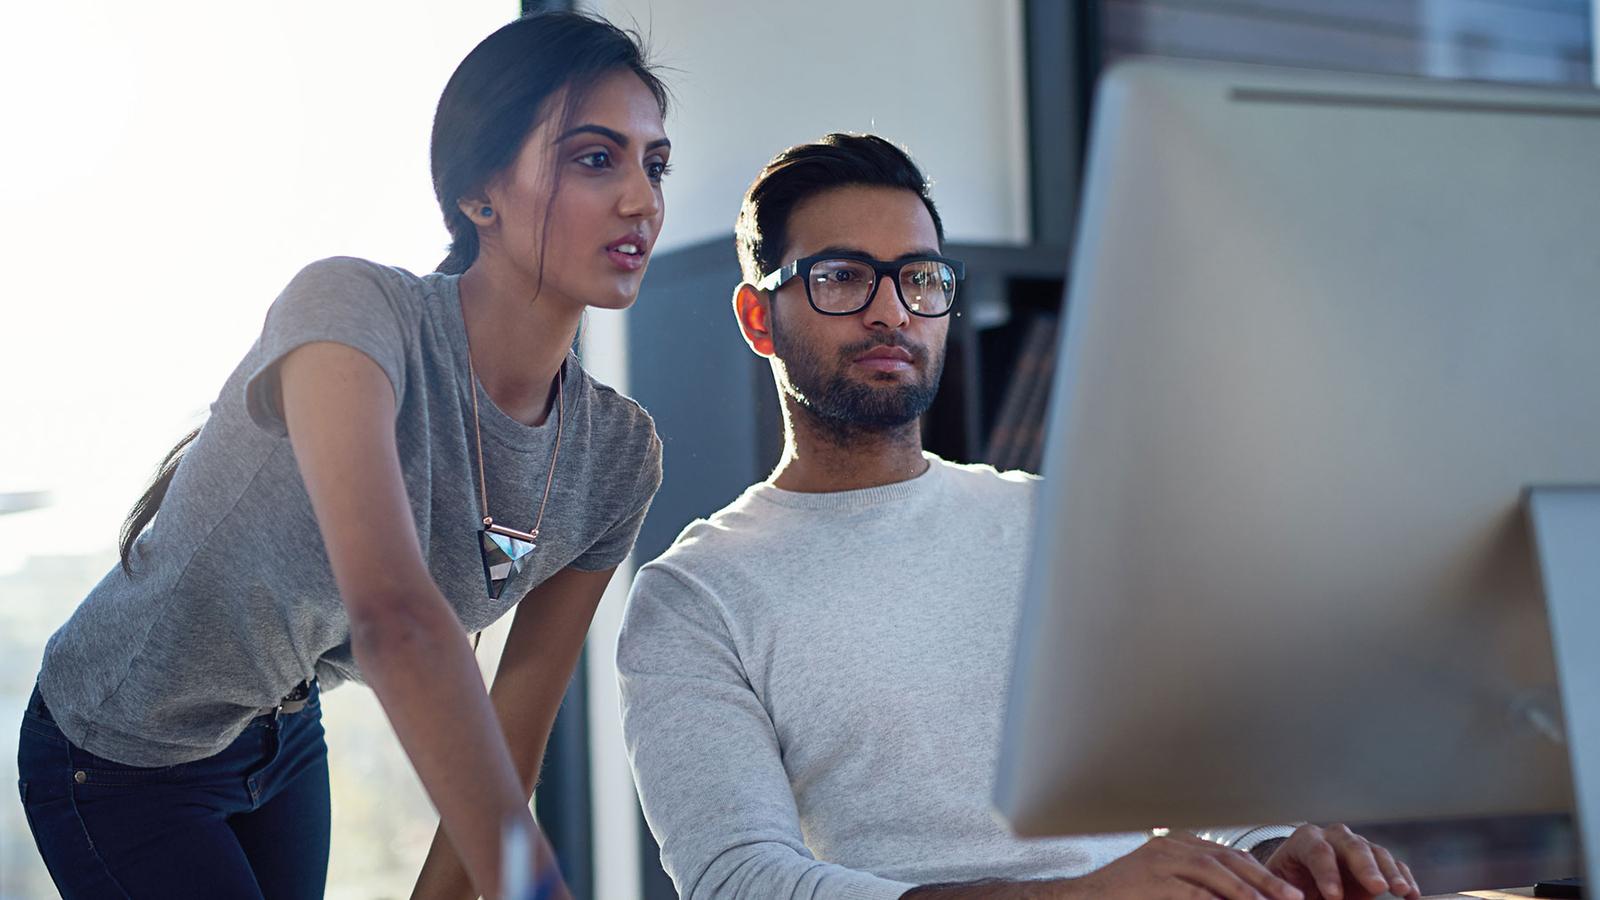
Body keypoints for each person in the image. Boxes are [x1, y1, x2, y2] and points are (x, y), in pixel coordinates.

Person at [616, 133, 1423, 900]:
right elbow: (740, 881)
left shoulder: (1053, 524)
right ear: (759, 318)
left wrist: (1280, 853)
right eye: (842, 277)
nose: (892, 311)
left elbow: (1209, 789)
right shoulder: (695, 596)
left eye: (920, 278)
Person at [17, 11, 669, 900]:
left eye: (654, 165)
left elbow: (510, 738)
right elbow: (396, 620)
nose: (641, 201)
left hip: (282, 735)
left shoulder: (618, 457)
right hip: (122, 749)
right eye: (595, 159)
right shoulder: (350, 312)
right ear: (480, 194)